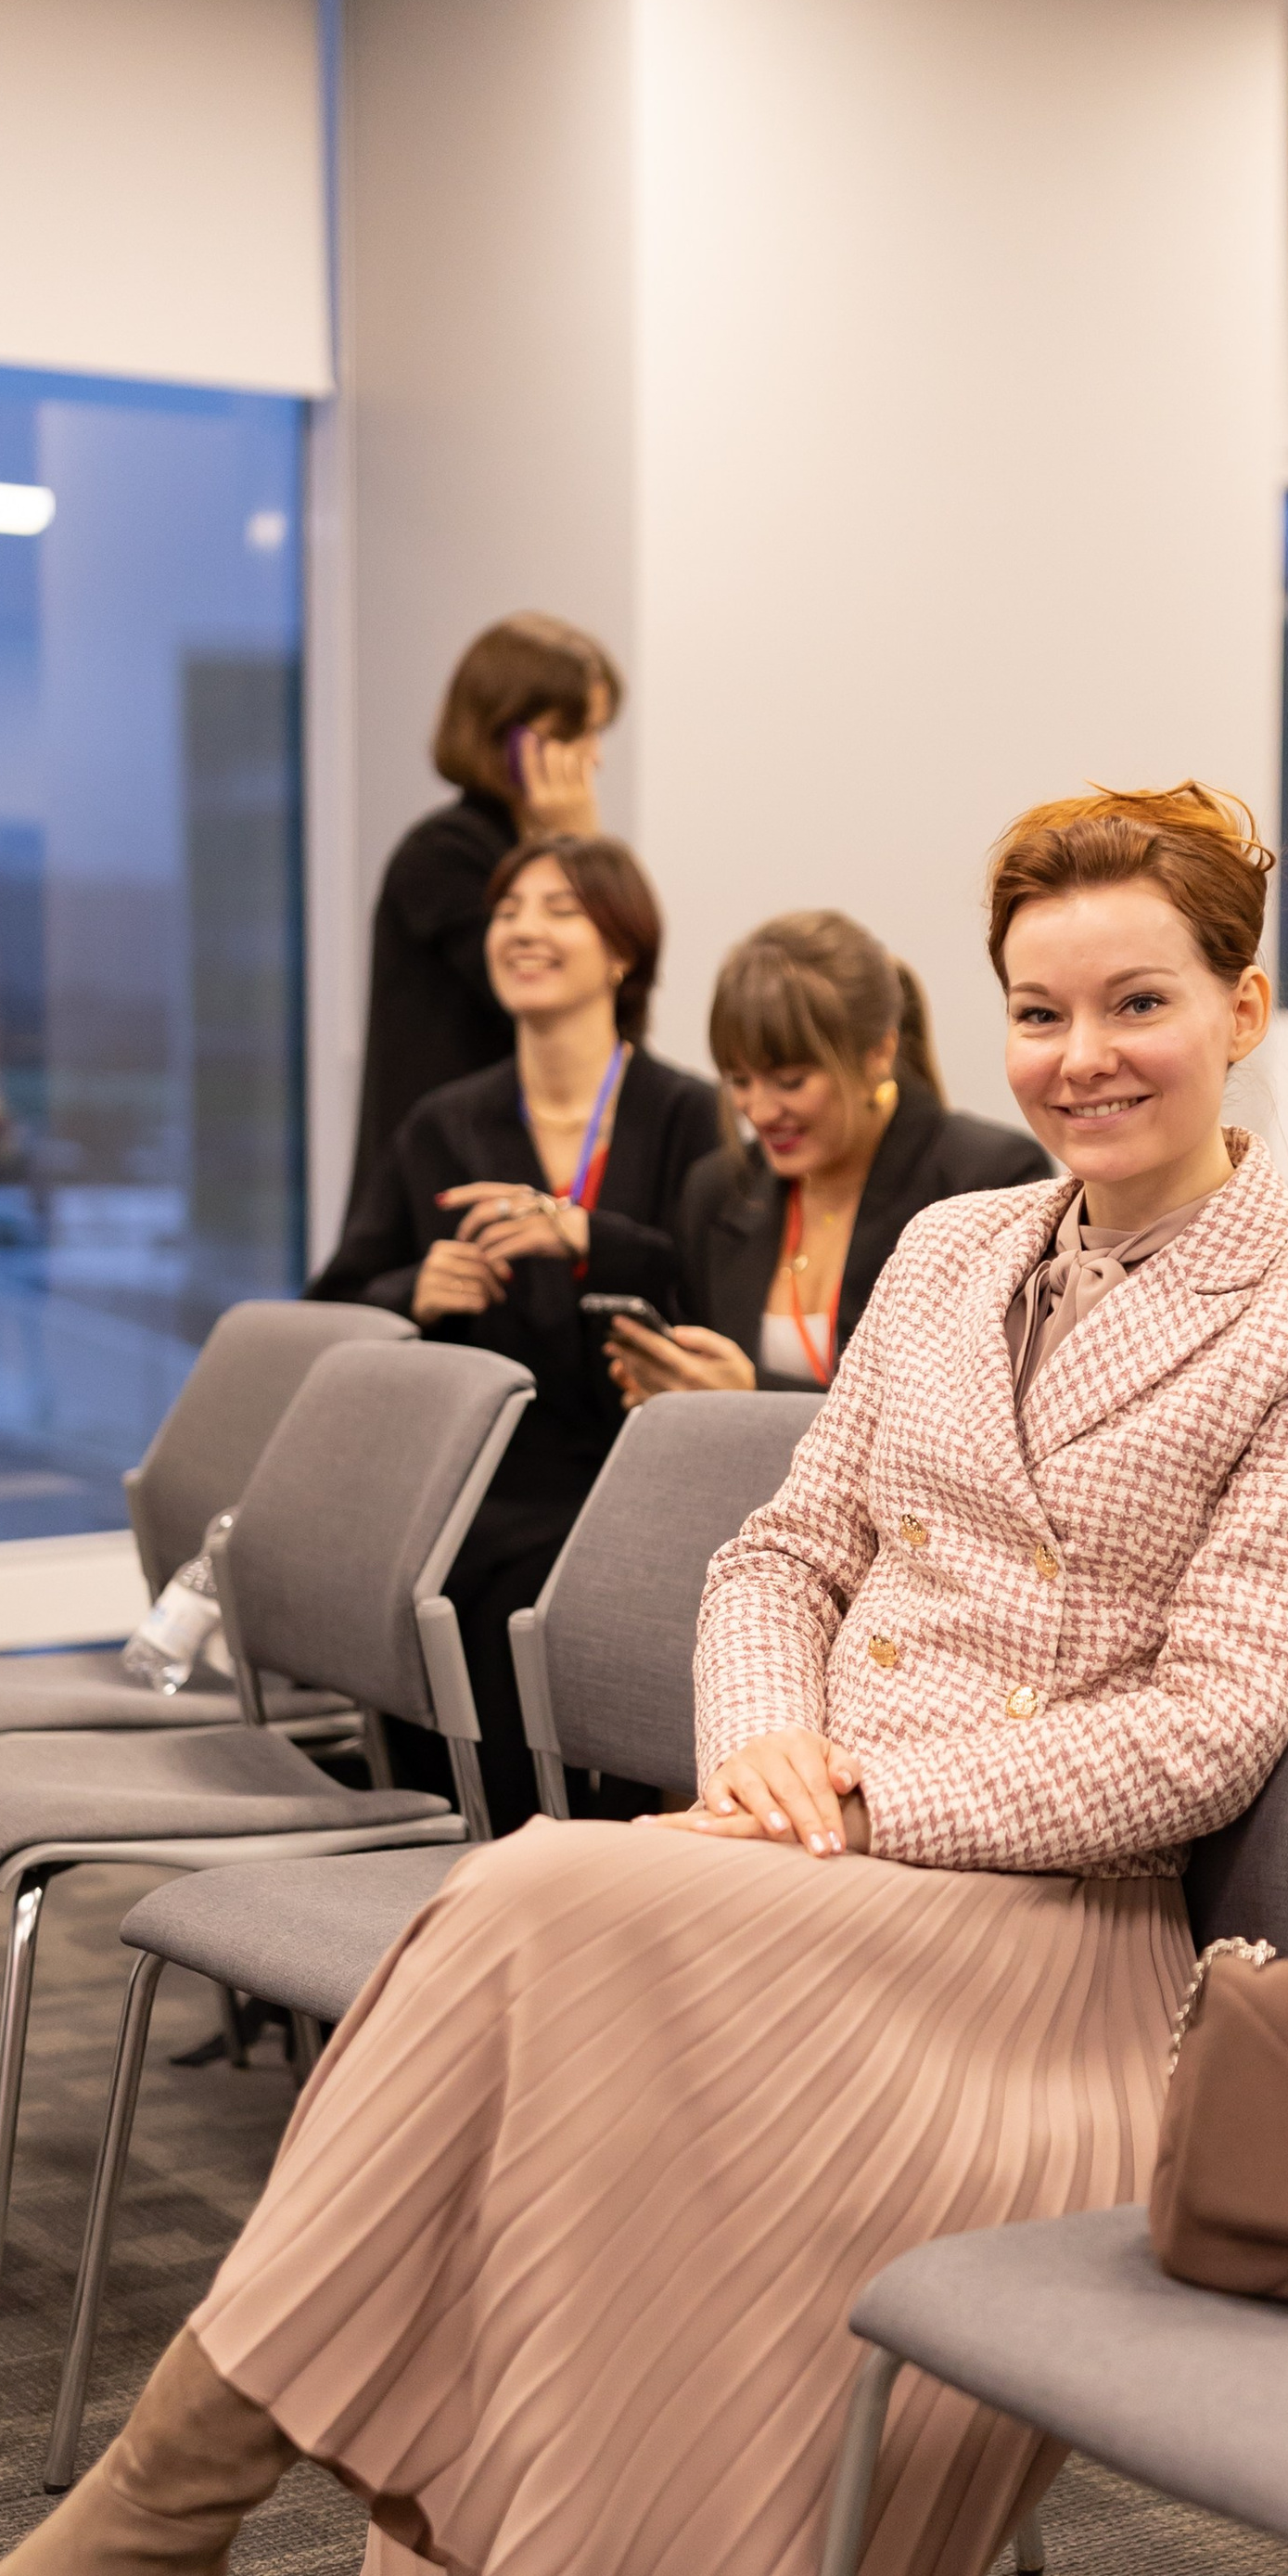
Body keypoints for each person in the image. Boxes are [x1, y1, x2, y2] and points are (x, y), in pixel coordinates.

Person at [0, 781, 1288, 2576]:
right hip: (800, 1867)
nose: (1088, 1055)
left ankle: (186, 2511)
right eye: (1044, 1011)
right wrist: (779, 1750)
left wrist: (866, 1801)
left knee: (532, 1910)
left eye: (1140, 1008)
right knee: (589, 2036)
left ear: (1238, 1014)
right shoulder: (956, 1251)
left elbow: (1204, 1732)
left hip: (1047, 1957)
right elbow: (785, 1553)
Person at [312, 832, 718, 1826]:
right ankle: (445, 1860)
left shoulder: (686, 1118)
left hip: (632, 1483)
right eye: (508, 910)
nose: (524, 930)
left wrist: (590, 1236)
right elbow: (335, 1305)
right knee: (430, 1584)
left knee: (551, 1593)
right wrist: (417, 1287)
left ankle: (559, 1871)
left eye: (559, 909)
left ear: (623, 951)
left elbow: (712, 1295)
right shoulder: (443, 1124)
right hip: (478, 1488)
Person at [602, 909, 1049, 1407]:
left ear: (879, 1052)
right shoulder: (718, 1190)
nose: (761, 1112)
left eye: (790, 1082)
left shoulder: (987, 1182)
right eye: (740, 1081)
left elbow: (958, 1418)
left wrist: (745, 1399)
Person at [338, 615, 622, 1234]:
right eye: (579, 731)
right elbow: (573, 998)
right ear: (512, 738)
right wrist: (579, 848)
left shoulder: (502, 850)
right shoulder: (447, 855)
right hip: (446, 1193)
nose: (595, 756)